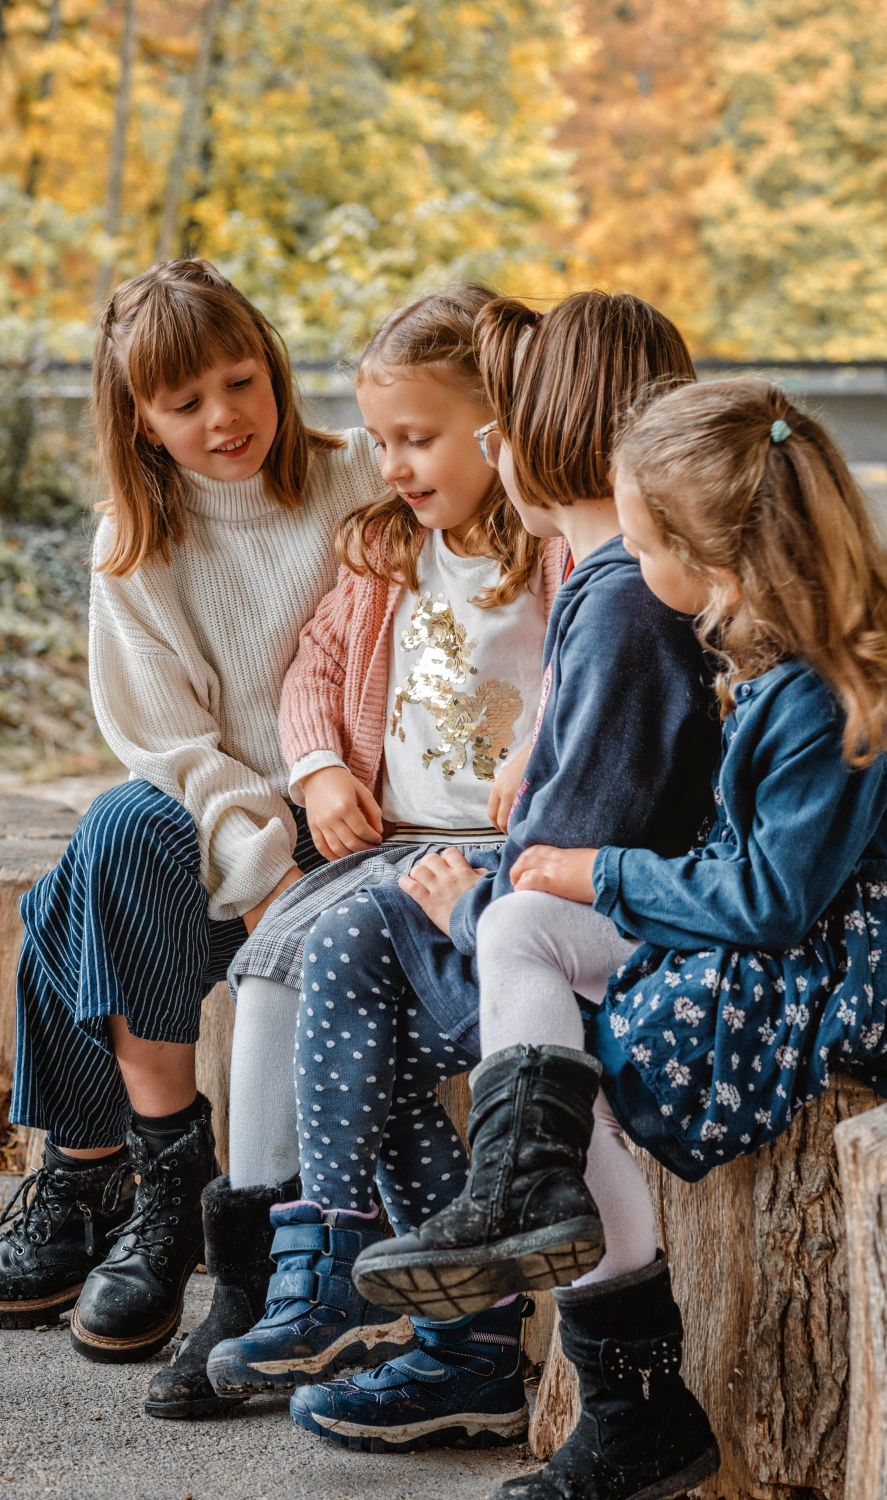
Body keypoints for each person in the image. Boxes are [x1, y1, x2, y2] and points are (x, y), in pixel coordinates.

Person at [364, 378, 887, 1500]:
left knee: (611, 1030)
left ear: (713, 554)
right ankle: (527, 1187)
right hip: (774, 938)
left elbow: (772, 903)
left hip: (839, 972)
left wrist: (610, 871)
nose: (631, 569)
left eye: (639, 544)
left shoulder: (840, 687)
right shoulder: (760, 644)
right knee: (524, 928)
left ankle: (634, 1405)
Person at [284, 292, 720, 1453]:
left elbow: (581, 840)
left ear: (544, 431)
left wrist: (476, 894)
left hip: (622, 922)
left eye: (495, 428)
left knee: (367, 958)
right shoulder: (605, 580)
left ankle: (414, 1290)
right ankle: (403, 1284)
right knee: (347, 955)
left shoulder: (625, 594)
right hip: (580, 901)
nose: (484, 454)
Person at [0, 261, 388, 1400]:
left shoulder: (357, 477)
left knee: (65, 894)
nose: (226, 418)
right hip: (230, 835)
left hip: (353, 820)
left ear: (271, 363)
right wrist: (261, 864)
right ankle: (170, 1191)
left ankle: (93, 1178)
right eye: (185, 403)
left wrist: (304, 830)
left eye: (241, 379)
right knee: (122, 825)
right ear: (138, 417)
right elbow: (171, 749)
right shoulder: (136, 543)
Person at [202, 282, 567, 1418]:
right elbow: (313, 674)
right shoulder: (384, 552)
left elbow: (591, 683)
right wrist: (316, 772)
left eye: (419, 438)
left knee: (369, 1004)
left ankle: (399, 1297)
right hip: (388, 847)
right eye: (382, 441)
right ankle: (280, 1257)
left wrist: (545, 759)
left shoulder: (556, 558)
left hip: (491, 861)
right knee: (269, 969)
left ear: (497, 428)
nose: (395, 465)